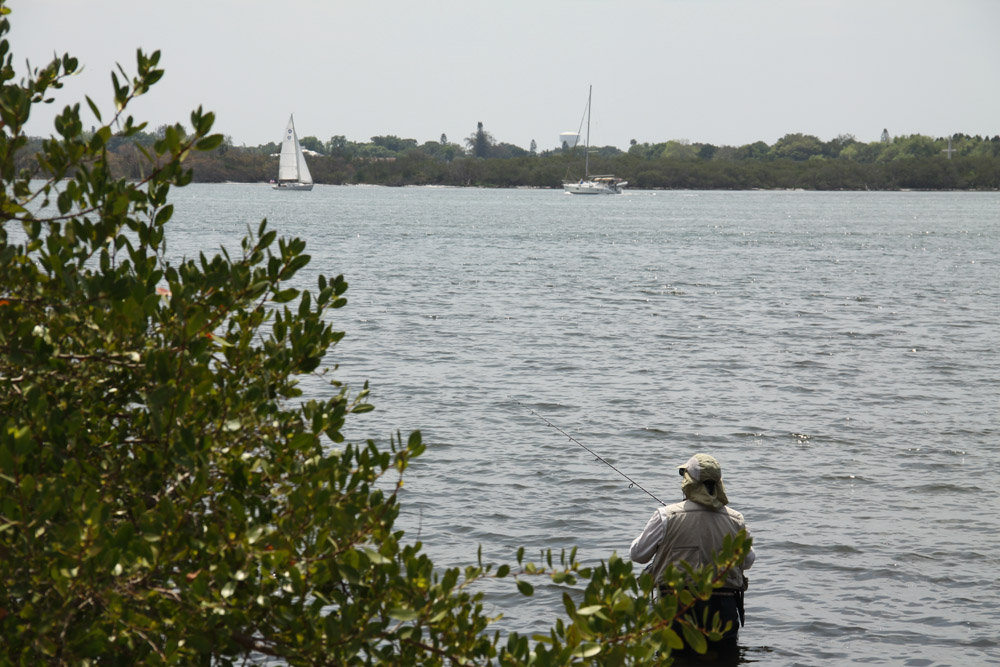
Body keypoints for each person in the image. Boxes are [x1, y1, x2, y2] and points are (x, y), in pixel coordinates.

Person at [629, 453, 755, 650]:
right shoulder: (736, 520)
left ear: (688, 482)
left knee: (676, 658)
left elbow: (637, 555)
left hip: (677, 609)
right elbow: (748, 561)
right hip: (724, 610)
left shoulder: (665, 516)